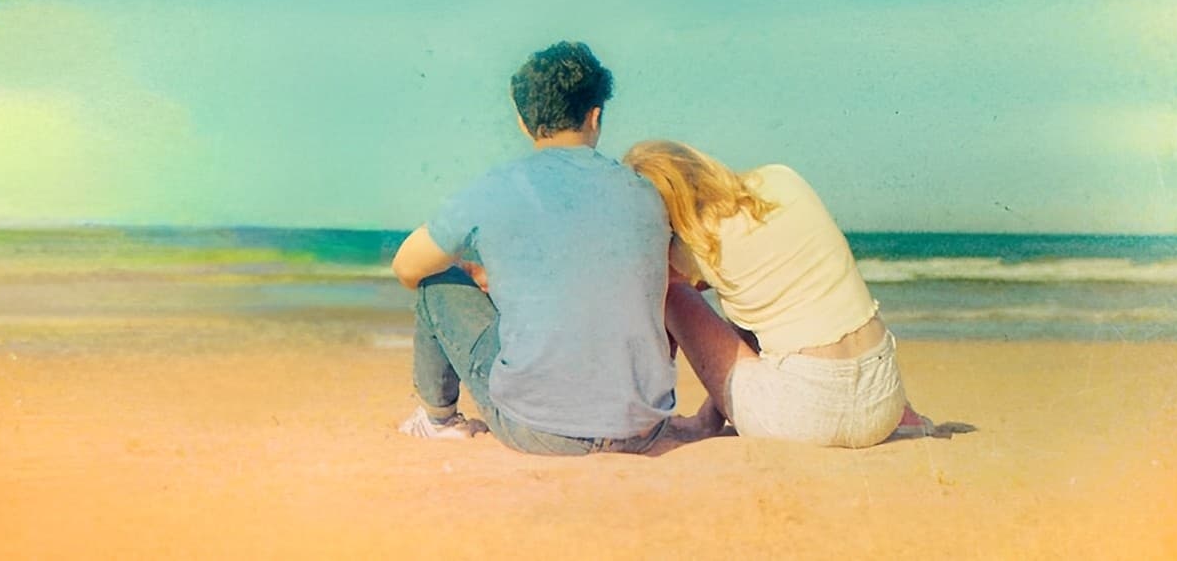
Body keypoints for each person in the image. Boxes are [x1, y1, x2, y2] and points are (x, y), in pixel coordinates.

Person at [391, 42, 677, 456]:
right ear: (595, 116)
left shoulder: (498, 187)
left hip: (542, 431)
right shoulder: (645, 193)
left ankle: (440, 420)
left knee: (437, 280)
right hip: (644, 428)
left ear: (524, 123)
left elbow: (407, 267)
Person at [623, 140, 934, 447]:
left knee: (669, 292)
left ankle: (651, 420)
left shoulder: (695, 249)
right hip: (884, 403)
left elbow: (654, 294)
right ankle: (905, 414)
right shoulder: (782, 178)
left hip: (805, 420)